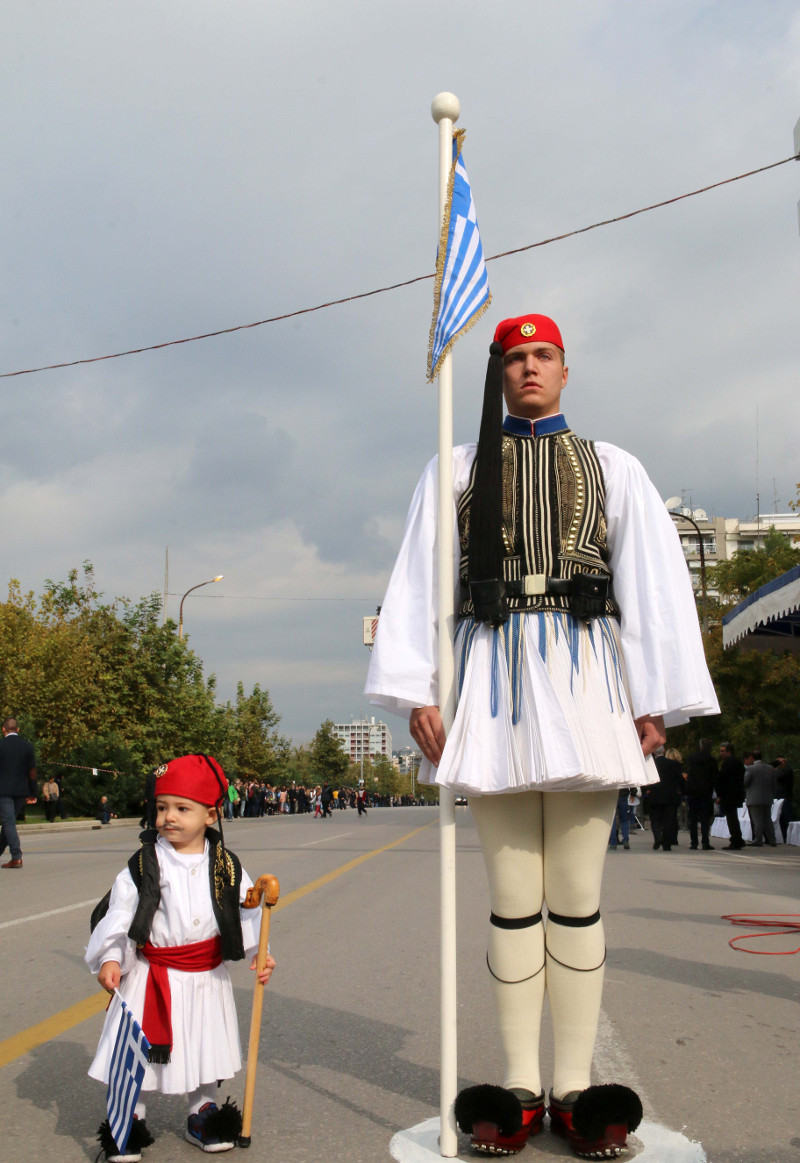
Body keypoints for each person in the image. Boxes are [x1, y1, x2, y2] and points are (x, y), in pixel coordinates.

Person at [365, 313, 718, 1157]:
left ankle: (578, 1085)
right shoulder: (456, 466)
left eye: (543, 356)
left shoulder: (614, 467)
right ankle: (520, 1085)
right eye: (515, 357)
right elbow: (419, 579)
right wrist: (417, 685)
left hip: (588, 678)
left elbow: (652, 584)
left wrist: (654, 697)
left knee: (576, 892)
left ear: (566, 369)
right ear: (498, 372)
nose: (529, 368)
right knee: (514, 897)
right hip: (490, 681)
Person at [86, 753, 275, 1161]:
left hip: (206, 976)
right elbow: (120, 915)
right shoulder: (144, 864)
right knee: (137, 1048)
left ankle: (202, 1110)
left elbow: (247, 912)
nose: (168, 817)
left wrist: (261, 952)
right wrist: (111, 958)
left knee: (203, 1044)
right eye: (162, 807)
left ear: (210, 815)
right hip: (153, 974)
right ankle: (128, 1117)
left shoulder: (225, 864)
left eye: (181, 809)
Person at [0, 717, 37, 868]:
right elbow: (32, 772)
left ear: (3, 729)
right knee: (9, 822)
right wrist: (33, 792)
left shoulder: (0, 745)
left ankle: (16, 856)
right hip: (21, 791)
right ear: (18, 729)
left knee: (8, 822)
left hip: (3, 791)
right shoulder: (27, 746)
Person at [647, 748, 684, 851]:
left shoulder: (651, 764)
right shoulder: (674, 764)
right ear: (664, 752)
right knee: (668, 820)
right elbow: (680, 779)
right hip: (670, 796)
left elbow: (646, 778)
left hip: (655, 795)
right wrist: (682, 790)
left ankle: (658, 836)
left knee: (655, 819)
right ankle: (667, 844)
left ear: (654, 752)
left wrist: (647, 789)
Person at [685, 738, 717, 850]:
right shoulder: (712, 761)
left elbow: (688, 773)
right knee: (704, 818)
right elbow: (714, 778)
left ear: (700, 746)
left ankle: (694, 842)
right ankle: (705, 842)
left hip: (693, 791)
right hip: (706, 792)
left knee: (693, 818)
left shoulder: (692, 759)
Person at [743, 750, 777, 846]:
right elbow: (774, 783)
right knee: (767, 819)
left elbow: (746, 782)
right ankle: (772, 840)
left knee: (757, 820)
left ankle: (757, 840)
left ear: (752, 758)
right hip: (767, 798)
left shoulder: (750, 769)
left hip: (754, 798)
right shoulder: (770, 768)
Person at [716, 743, 745, 850]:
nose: (721, 753)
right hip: (735, 794)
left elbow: (722, 778)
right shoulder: (737, 762)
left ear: (729, 752)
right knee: (733, 817)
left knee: (731, 818)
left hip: (729, 795)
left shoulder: (729, 763)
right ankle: (738, 839)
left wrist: (719, 793)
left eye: (723, 751)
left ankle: (736, 840)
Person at [773, 756, 794, 843]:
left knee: (786, 817)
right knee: (780, 818)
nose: (778, 763)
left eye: (780, 760)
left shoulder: (787, 769)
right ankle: (783, 837)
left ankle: (789, 837)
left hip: (785, 796)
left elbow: (778, 776)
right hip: (778, 797)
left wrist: (776, 768)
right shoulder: (780, 770)